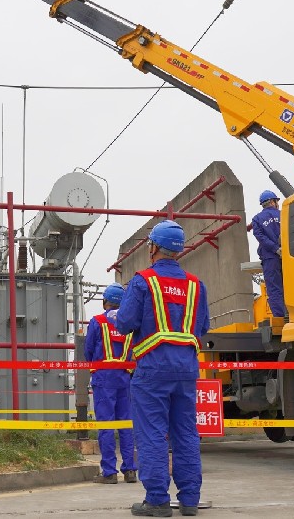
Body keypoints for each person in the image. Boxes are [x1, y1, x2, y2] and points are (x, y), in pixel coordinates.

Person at [117, 220, 210, 518]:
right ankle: (190, 500)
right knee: (185, 432)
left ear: (154, 247)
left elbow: (125, 323)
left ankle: (157, 500)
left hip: (153, 369)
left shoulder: (143, 281)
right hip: (186, 369)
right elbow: (203, 326)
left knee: (153, 434)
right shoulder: (197, 284)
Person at [84, 283, 138, 484]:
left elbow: (88, 350)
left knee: (106, 425)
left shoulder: (98, 321)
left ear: (105, 301)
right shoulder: (129, 325)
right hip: (124, 377)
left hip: (103, 377)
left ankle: (109, 472)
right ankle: (130, 470)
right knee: (125, 424)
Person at [251, 189, 286, 318]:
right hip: (288, 256)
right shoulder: (284, 214)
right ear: (272, 201)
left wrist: (275, 249)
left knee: (274, 288)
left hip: (270, 257)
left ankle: (281, 318)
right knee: (291, 284)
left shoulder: (257, 219)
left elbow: (260, 237)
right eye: (276, 201)